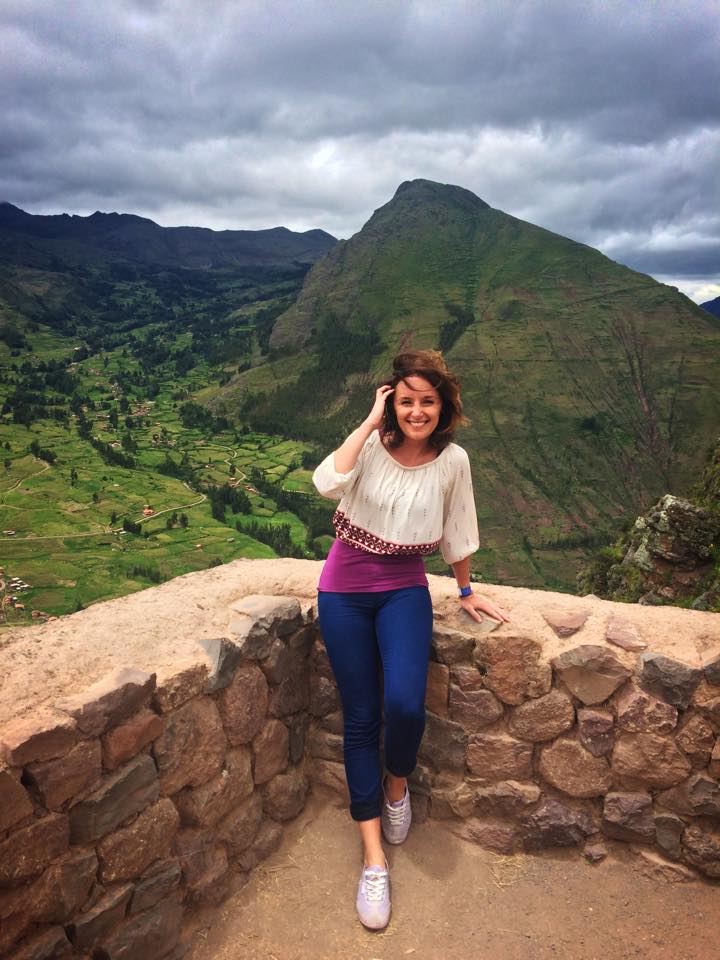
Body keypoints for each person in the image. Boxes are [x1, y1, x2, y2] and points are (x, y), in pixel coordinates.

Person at [312, 349, 509, 930]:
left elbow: (459, 524)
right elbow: (327, 482)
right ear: (390, 402)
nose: (417, 411)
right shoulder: (372, 444)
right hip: (343, 588)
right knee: (360, 718)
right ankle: (374, 859)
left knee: (404, 705)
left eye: (427, 400)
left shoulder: (454, 462)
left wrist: (466, 588)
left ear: (443, 406)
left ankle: (398, 783)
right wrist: (371, 423)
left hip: (404, 589)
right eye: (406, 400)